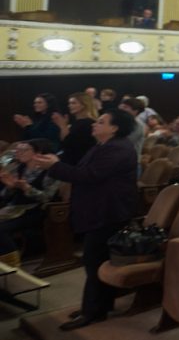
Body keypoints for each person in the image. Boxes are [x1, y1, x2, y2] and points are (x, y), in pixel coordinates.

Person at [33, 109, 139, 330]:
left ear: (114, 128)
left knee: (93, 261)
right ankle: (101, 305)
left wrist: (54, 166)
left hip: (108, 213)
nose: (94, 125)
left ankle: (92, 311)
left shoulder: (117, 148)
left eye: (101, 122)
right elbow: (81, 170)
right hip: (100, 210)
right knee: (98, 261)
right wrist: (55, 164)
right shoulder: (103, 146)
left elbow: (89, 176)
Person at [0, 139, 60, 268]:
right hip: (14, 208)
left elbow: (47, 198)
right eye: (18, 150)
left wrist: (27, 188)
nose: (18, 153)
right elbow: (5, 196)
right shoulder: (18, 168)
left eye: (24, 150)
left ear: (37, 152)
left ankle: (12, 265)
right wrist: (10, 187)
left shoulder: (49, 171)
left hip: (36, 210)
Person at [52, 92, 98, 166]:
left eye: (73, 103)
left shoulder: (88, 123)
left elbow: (70, 144)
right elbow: (64, 142)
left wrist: (62, 126)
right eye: (69, 103)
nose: (69, 106)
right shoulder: (76, 123)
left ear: (83, 105)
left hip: (78, 163)